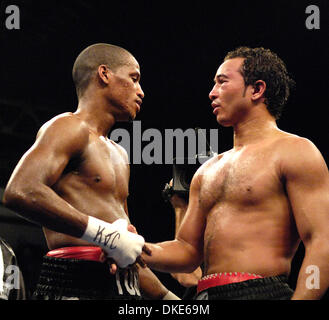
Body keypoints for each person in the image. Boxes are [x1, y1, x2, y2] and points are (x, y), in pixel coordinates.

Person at [142, 47, 329, 300]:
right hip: (203, 296)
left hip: (261, 292)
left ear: (256, 89)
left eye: (222, 82)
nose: (212, 93)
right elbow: (186, 251)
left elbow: (322, 242)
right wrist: (135, 249)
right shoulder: (206, 171)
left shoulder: (295, 151)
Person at [2, 43, 179, 300]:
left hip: (121, 288)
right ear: (104, 74)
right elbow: (20, 191)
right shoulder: (68, 127)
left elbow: (125, 249)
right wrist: (106, 235)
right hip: (72, 283)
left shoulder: (120, 154)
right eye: (134, 79)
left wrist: (166, 298)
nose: (141, 91)